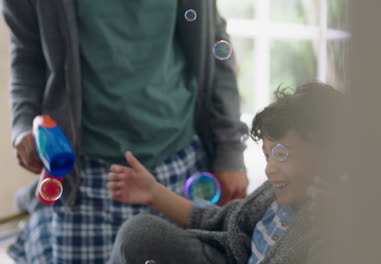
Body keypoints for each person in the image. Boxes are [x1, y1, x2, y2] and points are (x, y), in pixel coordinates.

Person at [3, 0, 248, 262]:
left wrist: (230, 148)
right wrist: (22, 126)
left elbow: (214, 43)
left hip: (179, 164)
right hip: (84, 177)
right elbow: (27, 56)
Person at [107, 82, 345, 264]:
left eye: (282, 154)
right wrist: (153, 193)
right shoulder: (269, 198)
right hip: (229, 257)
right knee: (138, 233)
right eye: (267, 155)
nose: (269, 168)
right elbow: (216, 220)